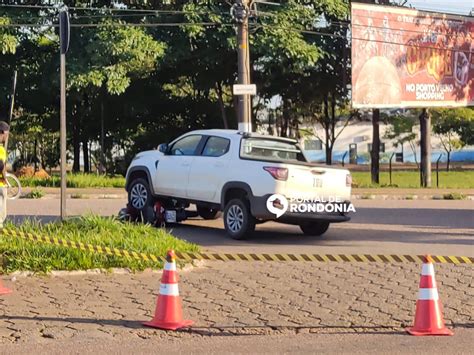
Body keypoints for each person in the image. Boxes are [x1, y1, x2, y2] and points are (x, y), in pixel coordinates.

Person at [0, 121, 10, 228]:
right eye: (7, 134)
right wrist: (4, 178)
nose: (7, 136)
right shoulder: (1, 149)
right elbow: (1, 165)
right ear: (2, 132)